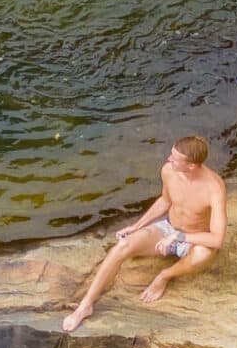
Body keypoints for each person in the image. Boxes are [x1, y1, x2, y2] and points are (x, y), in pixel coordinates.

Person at [62, 134, 228, 333]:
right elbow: (165, 201)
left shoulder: (214, 188)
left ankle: (164, 276)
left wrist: (180, 237)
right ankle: (85, 306)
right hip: (168, 228)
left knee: (203, 254)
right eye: (171, 155)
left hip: (193, 239)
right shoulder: (169, 171)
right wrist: (137, 225)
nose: (169, 159)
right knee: (123, 245)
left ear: (191, 165)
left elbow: (217, 239)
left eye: (175, 158)